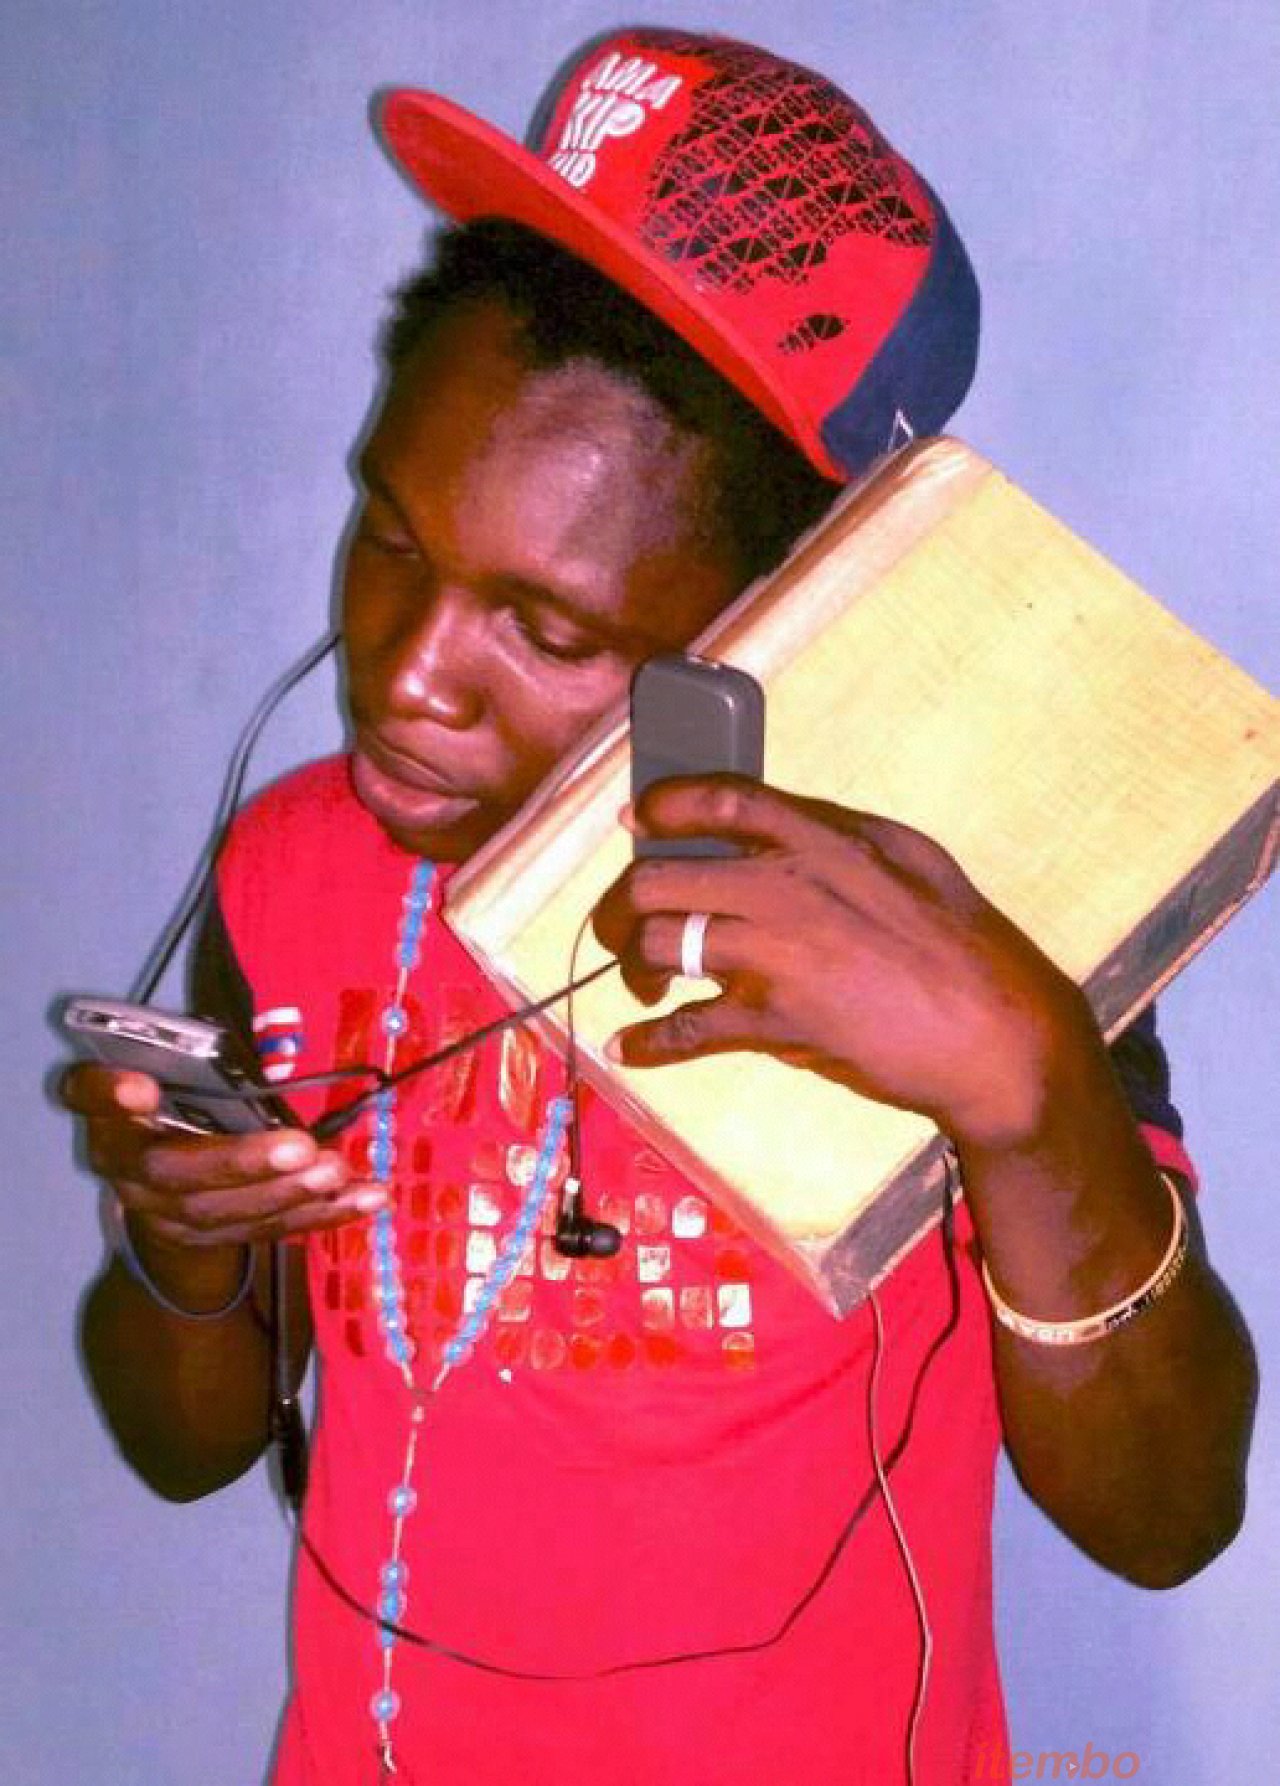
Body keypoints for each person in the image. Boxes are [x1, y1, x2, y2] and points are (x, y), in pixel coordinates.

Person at [62, 27, 1256, 1786]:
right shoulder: (290, 866)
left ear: (763, 623)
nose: (405, 676)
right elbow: (185, 1445)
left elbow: (1170, 1516)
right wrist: (185, 1246)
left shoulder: (949, 909)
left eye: (545, 628)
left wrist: (1034, 1095)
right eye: (391, 537)